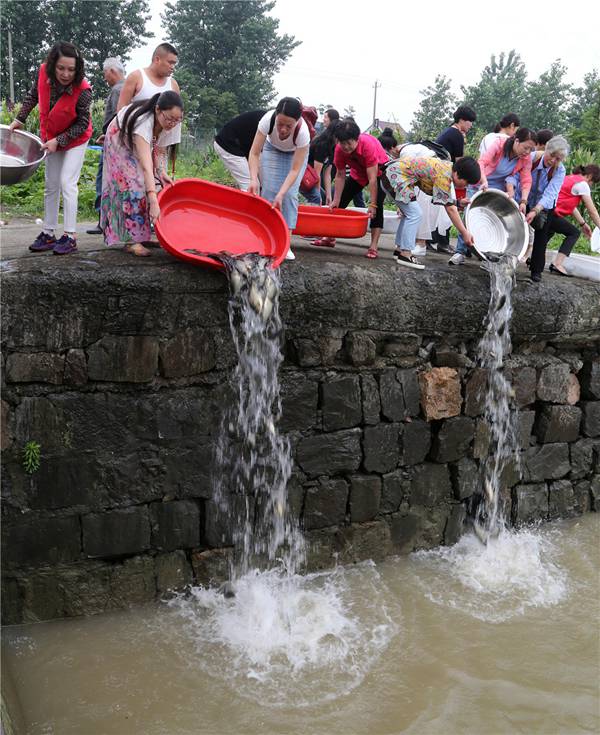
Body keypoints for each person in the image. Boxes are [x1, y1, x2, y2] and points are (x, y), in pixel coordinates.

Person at [9, 41, 92, 255]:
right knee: (51, 183)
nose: (65, 74)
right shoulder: (44, 72)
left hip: (75, 138)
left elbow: (83, 123)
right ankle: (48, 233)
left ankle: (70, 236)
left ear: (78, 69)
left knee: (67, 182)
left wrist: (60, 141)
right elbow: (34, 95)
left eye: (71, 70)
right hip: (51, 136)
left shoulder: (83, 89)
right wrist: (20, 118)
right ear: (53, 64)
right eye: (61, 68)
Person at [101, 91, 183, 257]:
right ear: (158, 110)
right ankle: (131, 240)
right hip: (118, 139)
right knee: (132, 183)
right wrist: (153, 200)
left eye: (177, 120)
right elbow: (146, 167)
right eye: (169, 119)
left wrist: (161, 171)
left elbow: (160, 149)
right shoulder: (143, 123)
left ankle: (142, 235)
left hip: (136, 139)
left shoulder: (172, 121)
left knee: (144, 181)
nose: (172, 123)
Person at [381, 155, 480, 269]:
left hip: (392, 175)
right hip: (396, 177)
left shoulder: (445, 168)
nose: (466, 186)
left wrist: (457, 202)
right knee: (415, 214)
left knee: (410, 214)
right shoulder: (444, 176)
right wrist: (465, 232)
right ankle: (405, 253)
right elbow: (450, 209)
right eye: (466, 182)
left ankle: (400, 250)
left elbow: (439, 198)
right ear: (458, 173)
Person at [248, 97, 311, 261]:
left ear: (297, 122)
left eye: (288, 126)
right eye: (280, 124)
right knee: (268, 191)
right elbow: (254, 153)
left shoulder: (303, 133)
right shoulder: (267, 120)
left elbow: (295, 169)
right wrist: (253, 179)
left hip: (295, 154)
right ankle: (263, 240)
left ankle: (285, 244)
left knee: (289, 195)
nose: (283, 129)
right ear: (275, 116)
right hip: (272, 149)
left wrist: (282, 193)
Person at [326, 120, 389, 258]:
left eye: (349, 143)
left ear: (357, 138)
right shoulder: (339, 149)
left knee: (377, 206)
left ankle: (373, 246)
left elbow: (372, 178)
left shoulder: (367, 145)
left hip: (379, 172)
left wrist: (371, 204)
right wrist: (336, 199)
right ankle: (330, 237)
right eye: (343, 143)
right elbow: (340, 175)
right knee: (338, 202)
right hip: (358, 172)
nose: (346, 147)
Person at [87, 57, 126, 235]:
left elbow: (119, 116)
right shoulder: (126, 88)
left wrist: (109, 134)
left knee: (103, 179)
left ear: (112, 71)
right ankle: (111, 220)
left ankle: (103, 221)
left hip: (113, 143)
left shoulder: (118, 90)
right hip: (116, 139)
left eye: (105, 74)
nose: (105, 78)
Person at [524, 135, 569, 282]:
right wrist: (523, 203)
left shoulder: (559, 170)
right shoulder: (530, 158)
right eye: (552, 156)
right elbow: (519, 178)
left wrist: (536, 210)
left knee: (541, 234)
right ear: (546, 149)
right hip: (524, 197)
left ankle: (536, 270)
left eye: (558, 159)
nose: (553, 161)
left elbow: (551, 193)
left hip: (544, 204)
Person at [545, 164, 600, 276]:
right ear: (590, 176)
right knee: (573, 233)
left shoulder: (570, 178)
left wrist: (583, 223)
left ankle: (534, 257)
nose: (591, 186)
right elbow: (592, 211)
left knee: (549, 231)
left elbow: (571, 206)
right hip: (551, 213)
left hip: (546, 211)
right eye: (593, 183)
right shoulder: (582, 184)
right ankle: (557, 263)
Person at [213, 109, 267, 191]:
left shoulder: (278, 125)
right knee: (250, 185)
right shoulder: (268, 123)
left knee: (262, 183)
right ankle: (248, 203)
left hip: (244, 146)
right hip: (227, 144)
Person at [117, 43, 180, 110]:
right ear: (157, 60)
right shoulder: (136, 77)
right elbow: (121, 110)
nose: (173, 67)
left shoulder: (173, 85)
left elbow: (177, 113)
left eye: (174, 64)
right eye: (170, 63)